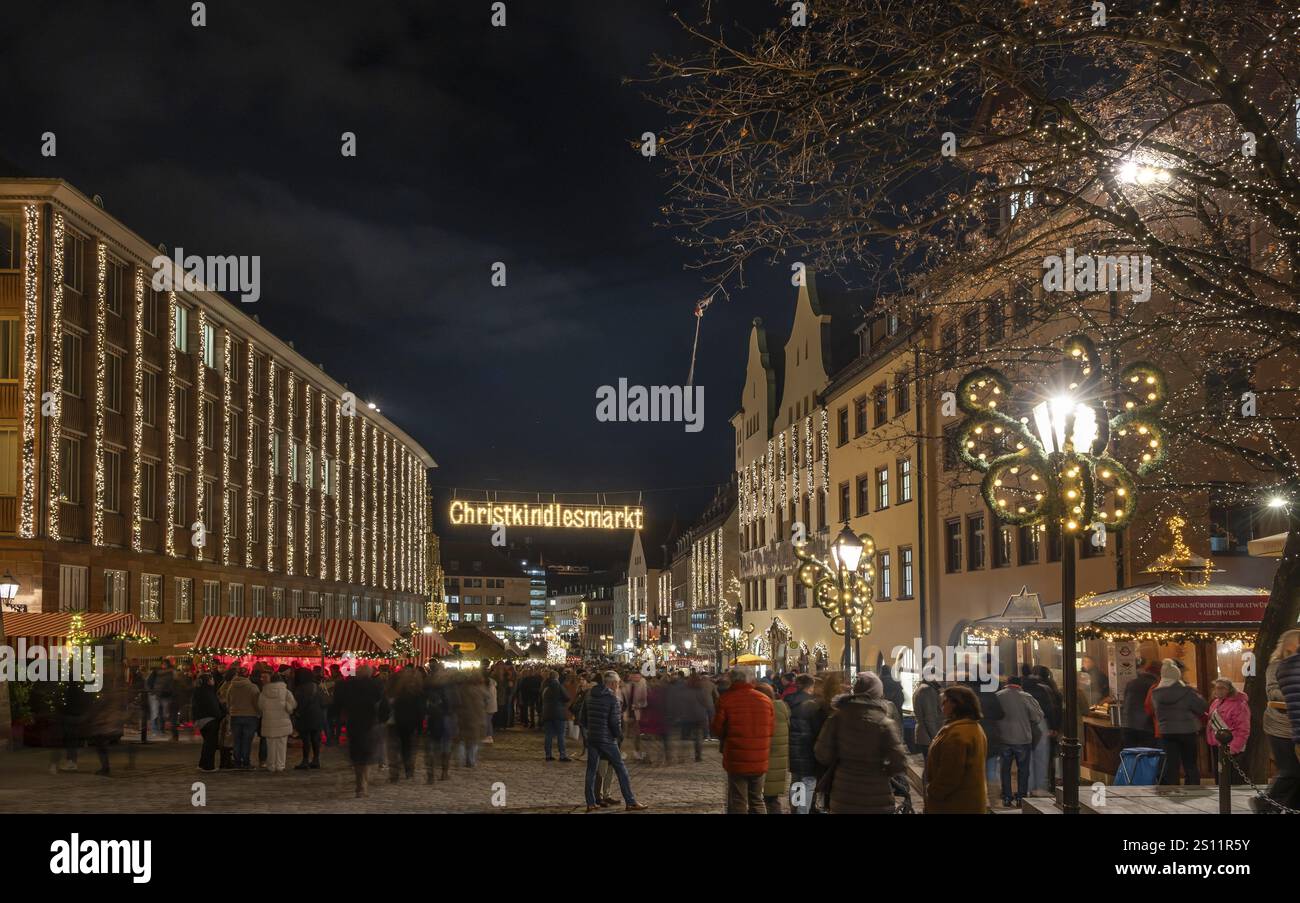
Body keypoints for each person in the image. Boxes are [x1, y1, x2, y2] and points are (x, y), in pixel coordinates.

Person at [813, 672, 907, 814]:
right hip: (876, 794)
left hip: (844, 791)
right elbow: (899, 761)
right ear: (877, 693)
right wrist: (884, 771)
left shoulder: (837, 717)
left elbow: (822, 753)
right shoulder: (884, 722)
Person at [581, 671, 647, 811]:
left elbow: (583, 718)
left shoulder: (589, 695)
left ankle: (591, 803)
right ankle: (630, 801)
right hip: (607, 739)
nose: (618, 686)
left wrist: (592, 730)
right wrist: (619, 737)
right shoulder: (612, 699)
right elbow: (614, 723)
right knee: (621, 769)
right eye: (617, 683)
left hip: (593, 738)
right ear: (612, 683)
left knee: (591, 770)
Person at [711, 669, 775, 815]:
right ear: (751, 680)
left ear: (732, 680)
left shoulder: (727, 699)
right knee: (757, 799)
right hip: (760, 758)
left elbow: (717, 729)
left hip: (736, 757)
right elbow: (771, 729)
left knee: (738, 800)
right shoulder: (765, 700)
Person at [924, 686, 990, 814]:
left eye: (945, 702)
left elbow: (950, 774)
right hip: (967, 802)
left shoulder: (958, 733)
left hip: (954, 803)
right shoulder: (972, 727)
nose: (942, 706)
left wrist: (932, 791)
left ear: (956, 704)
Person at [1150, 658, 1207, 786]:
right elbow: (1201, 707)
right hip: (1188, 730)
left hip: (1166, 731)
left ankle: (1172, 789)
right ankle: (1192, 788)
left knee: (1171, 764)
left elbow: (1153, 710)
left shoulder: (1156, 693)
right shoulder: (1187, 691)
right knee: (1190, 763)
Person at [1262, 629, 1300, 812]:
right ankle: (1265, 804)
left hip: (1295, 725)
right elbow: (1273, 691)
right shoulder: (1276, 666)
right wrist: (1293, 695)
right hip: (1279, 726)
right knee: (1289, 770)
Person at [994, 676, 1044, 808]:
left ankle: (1006, 797)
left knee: (1005, 769)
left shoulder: (998, 696)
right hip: (1022, 738)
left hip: (1003, 738)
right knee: (1023, 769)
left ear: (1007, 684)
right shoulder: (1026, 697)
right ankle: (1021, 797)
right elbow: (1037, 717)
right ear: (1019, 685)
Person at [338, 665, 388, 797]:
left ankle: (360, 784)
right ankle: (362, 785)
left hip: (353, 723)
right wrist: (382, 719)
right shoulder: (376, 686)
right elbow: (384, 705)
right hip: (370, 723)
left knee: (357, 755)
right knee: (366, 755)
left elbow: (339, 703)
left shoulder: (348, 685)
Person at [1205, 678, 1249, 786]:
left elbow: (1243, 729)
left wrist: (1233, 748)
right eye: (1216, 688)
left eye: (1222, 688)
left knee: (1231, 779)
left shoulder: (1239, 705)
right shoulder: (1215, 702)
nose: (1218, 690)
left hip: (1231, 747)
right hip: (1217, 745)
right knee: (1219, 777)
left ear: (1229, 690)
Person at [755, 683, 790, 814]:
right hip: (779, 761)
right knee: (772, 798)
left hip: (765, 759)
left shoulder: (763, 710)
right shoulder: (782, 708)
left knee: (758, 798)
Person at [258, 672, 297, 773]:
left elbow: (260, 706)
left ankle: (271, 765)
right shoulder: (286, 692)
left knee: (270, 745)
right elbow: (292, 706)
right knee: (282, 745)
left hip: (269, 722)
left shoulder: (264, 692)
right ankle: (280, 765)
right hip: (283, 722)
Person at [424, 664, 457, 783]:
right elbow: (453, 702)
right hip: (445, 717)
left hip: (432, 718)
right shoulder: (448, 685)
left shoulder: (427, 684)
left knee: (432, 747)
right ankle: (444, 772)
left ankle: (431, 774)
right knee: (446, 746)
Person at [225, 668, 261, 770]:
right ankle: (245, 762)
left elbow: (228, 701)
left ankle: (237, 762)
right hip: (250, 716)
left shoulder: (231, 687)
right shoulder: (252, 687)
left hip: (235, 716)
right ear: (248, 675)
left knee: (237, 740)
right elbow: (257, 702)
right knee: (247, 741)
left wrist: (231, 711)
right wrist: (258, 713)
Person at [1121, 661, 1161, 749]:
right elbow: (1154, 707)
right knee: (1147, 756)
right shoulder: (1155, 686)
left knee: (1130, 755)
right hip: (1146, 726)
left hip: (1128, 725)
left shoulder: (1131, 683)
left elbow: (1125, 702)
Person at [293, 669, 325, 770]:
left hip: (305, 716)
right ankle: (316, 760)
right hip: (317, 715)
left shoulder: (300, 688)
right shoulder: (317, 686)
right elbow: (323, 702)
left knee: (306, 739)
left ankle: (305, 760)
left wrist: (297, 713)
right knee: (315, 739)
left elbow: (298, 703)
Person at [192, 672, 224, 773]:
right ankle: (208, 766)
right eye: (212, 679)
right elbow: (213, 707)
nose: (213, 681)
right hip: (210, 720)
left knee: (206, 744)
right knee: (211, 744)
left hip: (201, 721)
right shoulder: (208, 692)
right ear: (208, 681)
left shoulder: (198, 691)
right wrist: (220, 716)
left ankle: (202, 764)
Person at [454, 671, 487, 767]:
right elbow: (487, 698)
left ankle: (461, 759)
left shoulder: (462, 689)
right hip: (476, 716)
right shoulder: (480, 689)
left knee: (463, 739)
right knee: (474, 740)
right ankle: (471, 760)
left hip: (463, 716)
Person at [681, 672, 714, 762]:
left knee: (686, 736)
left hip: (688, 716)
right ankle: (698, 755)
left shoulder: (685, 691)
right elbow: (707, 703)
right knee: (698, 736)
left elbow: (681, 703)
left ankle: (684, 755)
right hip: (700, 716)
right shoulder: (701, 690)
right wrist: (710, 711)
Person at [541, 669, 573, 762]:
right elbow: (567, 697)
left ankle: (548, 754)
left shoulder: (545, 687)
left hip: (547, 713)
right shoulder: (559, 686)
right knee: (560, 735)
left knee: (548, 735)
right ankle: (562, 755)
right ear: (557, 677)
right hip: (559, 713)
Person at [912, 678, 943, 768]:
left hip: (925, 735)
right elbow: (930, 717)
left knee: (929, 767)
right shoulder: (927, 690)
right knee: (932, 768)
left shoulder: (923, 688)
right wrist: (936, 738)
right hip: (928, 736)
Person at [621, 669, 649, 761]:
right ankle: (626, 752)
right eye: (633, 676)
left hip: (637, 713)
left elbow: (645, 702)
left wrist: (637, 705)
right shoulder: (629, 685)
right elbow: (625, 696)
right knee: (626, 733)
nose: (634, 678)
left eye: (636, 676)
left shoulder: (643, 685)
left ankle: (637, 751)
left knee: (637, 734)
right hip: (628, 712)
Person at [483, 669, 498, 745]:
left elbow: (488, 696)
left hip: (489, 706)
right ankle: (488, 735)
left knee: (487, 721)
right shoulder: (492, 683)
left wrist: (485, 704)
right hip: (492, 705)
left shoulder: (489, 685)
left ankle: (489, 736)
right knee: (488, 721)